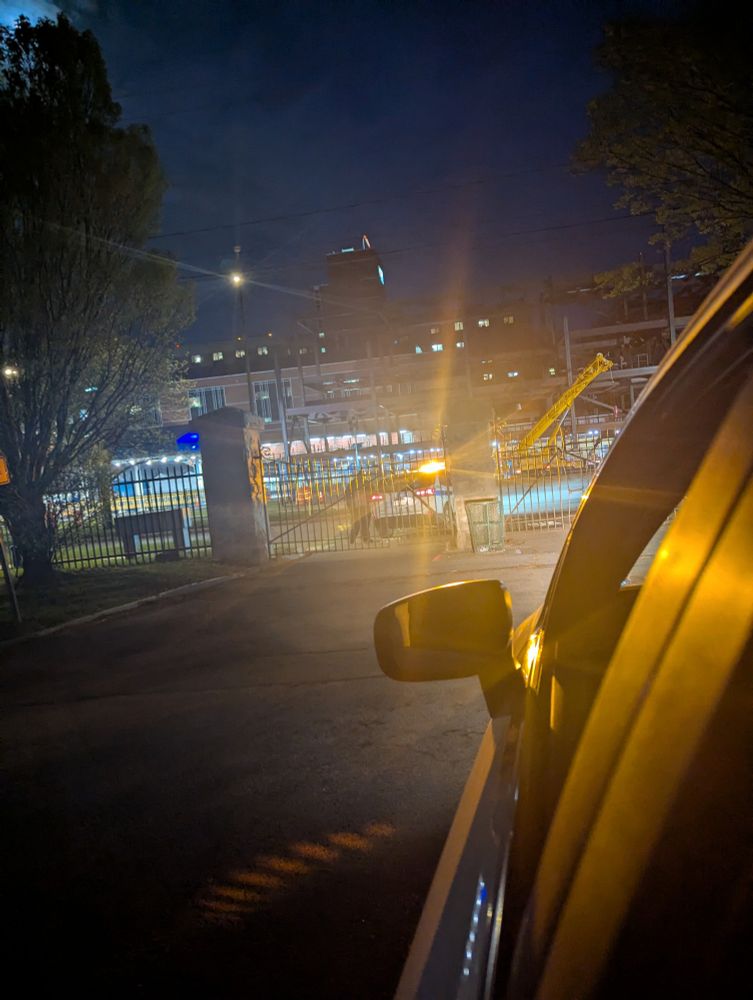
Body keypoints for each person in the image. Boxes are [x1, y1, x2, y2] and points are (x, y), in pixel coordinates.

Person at [346, 475, 373, 544]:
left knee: (360, 523)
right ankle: (363, 538)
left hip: (360, 506)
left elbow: (347, 494)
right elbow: (372, 489)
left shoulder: (353, 483)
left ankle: (361, 538)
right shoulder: (364, 482)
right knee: (362, 523)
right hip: (360, 506)